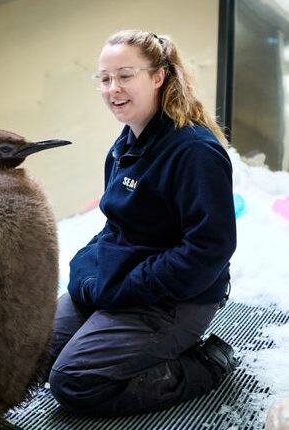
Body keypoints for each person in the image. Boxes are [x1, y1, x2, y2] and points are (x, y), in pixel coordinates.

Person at [47, 30, 238, 417]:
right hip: (127, 284)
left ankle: (205, 365)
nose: (112, 88)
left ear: (158, 77)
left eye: (125, 75)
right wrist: (88, 269)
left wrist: (127, 287)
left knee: (75, 380)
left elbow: (208, 250)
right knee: (28, 350)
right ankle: (121, 339)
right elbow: (116, 227)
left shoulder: (194, 152)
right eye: (104, 78)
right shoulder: (125, 145)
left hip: (178, 297)